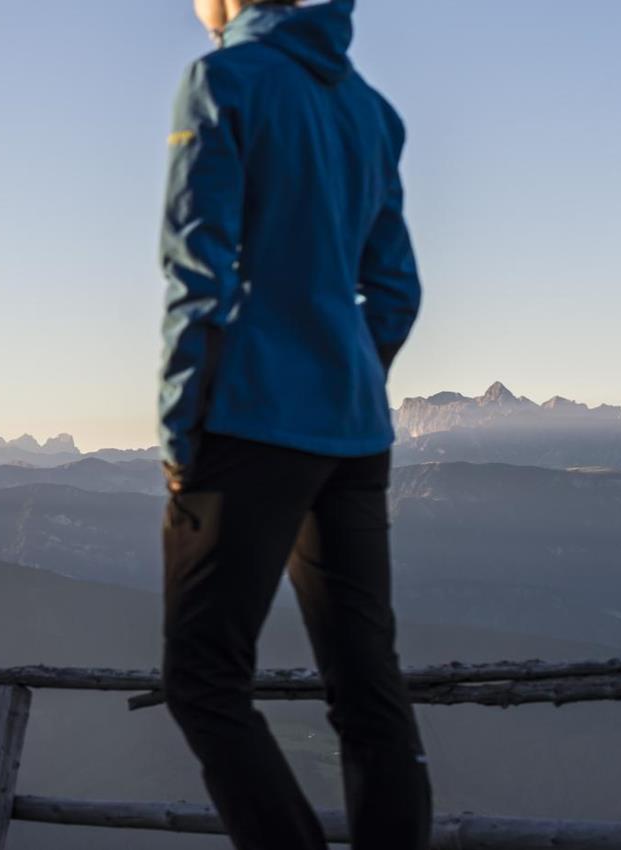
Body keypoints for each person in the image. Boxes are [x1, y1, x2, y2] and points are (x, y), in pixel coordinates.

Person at [155, 1, 431, 848]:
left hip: (248, 418)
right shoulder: (370, 111)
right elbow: (394, 289)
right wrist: (345, 372)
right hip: (352, 427)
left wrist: (179, 427)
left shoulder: (221, 80)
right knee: (365, 684)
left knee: (203, 681)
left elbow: (197, 267)